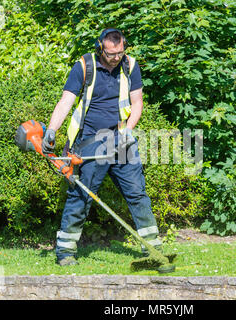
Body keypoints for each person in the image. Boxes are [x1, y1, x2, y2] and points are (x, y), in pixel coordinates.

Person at [42, 28, 162, 266]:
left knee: (137, 192)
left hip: (121, 138)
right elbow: (66, 100)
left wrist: (128, 129)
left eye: (120, 52)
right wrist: (52, 129)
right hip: (90, 141)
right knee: (81, 195)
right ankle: (65, 252)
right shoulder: (84, 66)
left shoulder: (130, 65)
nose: (116, 57)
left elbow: (137, 103)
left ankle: (153, 248)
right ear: (100, 48)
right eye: (110, 54)